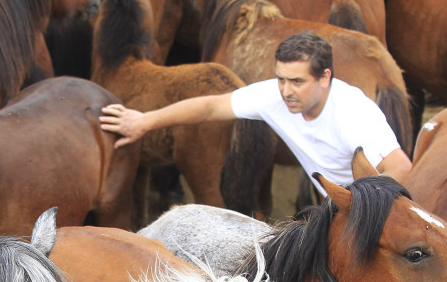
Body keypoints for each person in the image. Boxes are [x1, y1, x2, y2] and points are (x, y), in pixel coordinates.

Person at [99, 31, 412, 184]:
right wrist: (144, 120)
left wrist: (355, 209)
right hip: (334, 206)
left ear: (325, 78)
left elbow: (401, 169)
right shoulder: (275, 96)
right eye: (281, 79)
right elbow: (210, 107)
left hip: (372, 207)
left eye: (297, 82)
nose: (286, 92)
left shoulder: (354, 110)